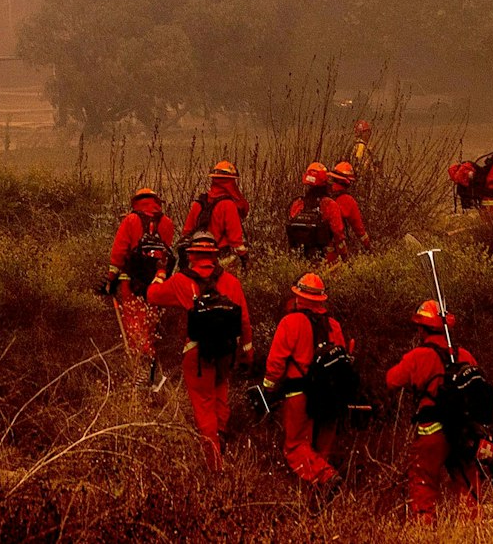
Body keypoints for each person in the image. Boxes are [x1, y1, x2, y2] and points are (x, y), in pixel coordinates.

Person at [147, 232, 252, 470]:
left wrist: (160, 273)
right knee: (220, 395)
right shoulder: (232, 283)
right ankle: (221, 433)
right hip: (226, 352)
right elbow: (244, 321)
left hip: (197, 353)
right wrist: (248, 353)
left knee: (203, 406)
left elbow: (153, 296)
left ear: (191, 255)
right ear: (215, 256)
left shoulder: (182, 281)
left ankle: (214, 464)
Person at [384, 300, 491, 526]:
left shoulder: (418, 356)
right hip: (464, 433)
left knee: (423, 480)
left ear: (422, 329)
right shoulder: (465, 355)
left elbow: (391, 380)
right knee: (468, 483)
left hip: (432, 432)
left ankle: (425, 528)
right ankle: (475, 531)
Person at [262, 272, 350, 491]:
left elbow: (276, 361)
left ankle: (326, 477)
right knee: (322, 449)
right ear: (321, 300)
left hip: (299, 394)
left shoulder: (290, 322)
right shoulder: (334, 326)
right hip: (331, 395)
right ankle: (318, 497)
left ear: (299, 297)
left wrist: (268, 388)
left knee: (295, 447)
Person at [107, 187, 175, 369]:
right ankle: (151, 359)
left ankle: (140, 363)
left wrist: (110, 278)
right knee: (151, 320)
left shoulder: (130, 220)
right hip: (156, 282)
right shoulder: (167, 222)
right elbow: (165, 253)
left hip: (131, 281)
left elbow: (119, 252)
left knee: (133, 320)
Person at [184, 160, 248, 266]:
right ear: (231, 182)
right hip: (221, 255)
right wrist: (244, 256)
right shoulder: (228, 205)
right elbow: (235, 238)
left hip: (197, 256)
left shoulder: (198, 203)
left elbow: (186, 232)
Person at [286, 162, 347, 261]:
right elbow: (338, 234)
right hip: (326, 259)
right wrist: (345, 256)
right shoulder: (329, 204)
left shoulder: (297, 204)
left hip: (300, 259)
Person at [326, 161, 371, 257]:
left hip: (306, 252)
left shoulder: (321, 196)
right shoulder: (347, 201)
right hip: (331, 254)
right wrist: (369, 247)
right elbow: (359, 229)